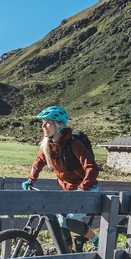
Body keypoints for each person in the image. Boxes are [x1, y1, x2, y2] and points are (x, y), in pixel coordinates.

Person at [23, 105, 100, 244]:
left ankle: (96, 241)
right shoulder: (48, 145)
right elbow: (38, 163)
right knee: (59, 222)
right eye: (43, 123)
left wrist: (83, 188)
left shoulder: (74, 144)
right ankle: (67, 252)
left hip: (87, 190)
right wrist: (30, 179)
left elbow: (92, 168)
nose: (44, 126)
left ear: (59, 125)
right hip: (67, 191)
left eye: (48, 123)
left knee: (68, 221)